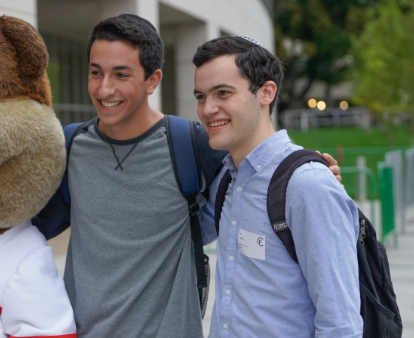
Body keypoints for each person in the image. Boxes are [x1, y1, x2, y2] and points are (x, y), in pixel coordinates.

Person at [33, 15, 341, 337]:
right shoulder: (69, 146)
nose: (104, 87)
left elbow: (256, 159)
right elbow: (26, 227)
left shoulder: (193, 144)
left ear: (153, 81)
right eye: (96, 73)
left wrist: (308, 173)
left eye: (121, 74)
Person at [193, 36, 361, 337]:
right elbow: (181, 237)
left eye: (222, 93)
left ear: (266, 92)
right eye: (201, 96)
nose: (207, 109)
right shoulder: (228, 179)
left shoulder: (307, 185)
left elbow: (341, 324)